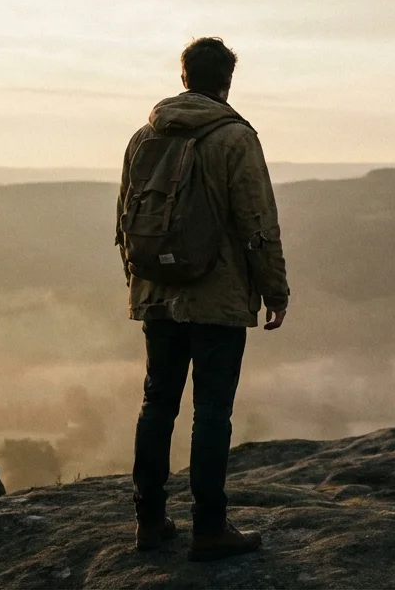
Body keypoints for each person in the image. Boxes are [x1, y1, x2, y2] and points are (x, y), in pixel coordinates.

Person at [116, 37, 289, 561]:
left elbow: (125, 217)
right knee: (211, 411)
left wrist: (139, 281)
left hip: (157, 295)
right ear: (226, 82)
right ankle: (209, 528)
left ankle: (149, 522)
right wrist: (275, 289)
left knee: (156, 405)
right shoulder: (235, 137)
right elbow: (257, 223)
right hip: (217, 297)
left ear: (185, 76)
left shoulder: (144, 136)